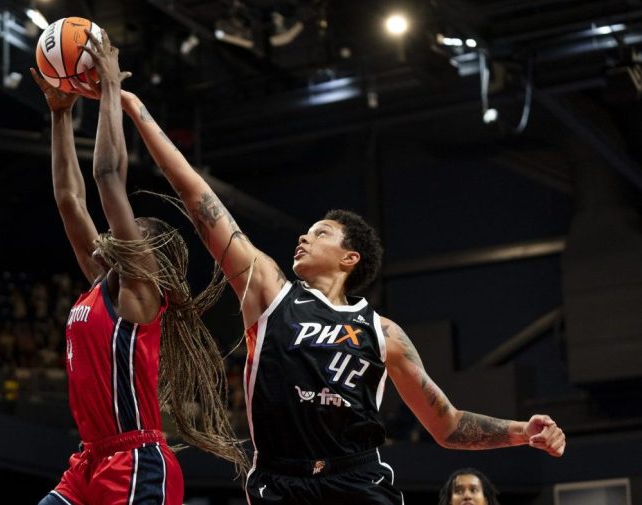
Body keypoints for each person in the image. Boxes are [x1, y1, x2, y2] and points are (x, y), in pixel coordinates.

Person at [79, 80, 568, 504]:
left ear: (349, 258)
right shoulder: (269, 290)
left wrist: (522, 433)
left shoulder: (384, 334)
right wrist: (136, 110)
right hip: (279, 481)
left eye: (320, 232)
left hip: (356, 478)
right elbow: (198, 196)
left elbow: (449, 425)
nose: (303, 236)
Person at [31, 30, 246, 505]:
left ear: (144, 255)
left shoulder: (139, 294)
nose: (113, 233)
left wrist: (110, 87)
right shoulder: (99, 283)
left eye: (130, 230)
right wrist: (61, 115)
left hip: (136, 462)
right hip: (88, 461)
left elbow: (107, 176)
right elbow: (69, 200)